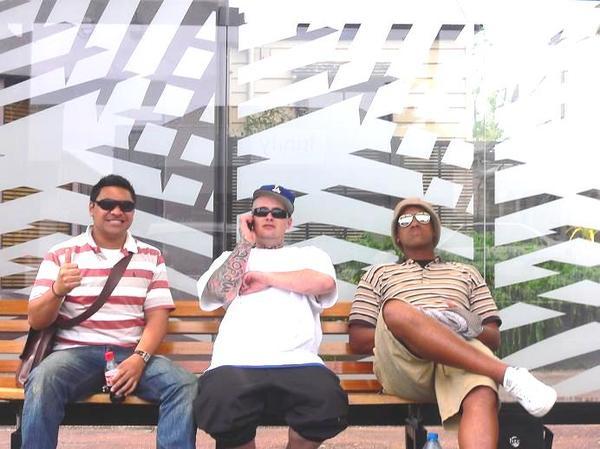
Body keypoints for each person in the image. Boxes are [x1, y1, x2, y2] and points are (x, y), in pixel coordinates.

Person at [348, 197, 557, 449]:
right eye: (405, 220)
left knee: (482, 390)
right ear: (398, 237)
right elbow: (358, 340)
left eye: (422, 217)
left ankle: (503, 376)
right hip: (404, 366)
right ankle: (508, 375)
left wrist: (465, 324)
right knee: (395, 309)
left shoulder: (466, 273)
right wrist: (419, 327)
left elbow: (493, 338)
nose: (414, 223)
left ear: (434, 231)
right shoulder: (377, 274)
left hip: (459, 365)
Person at [22, 175, 197, 449]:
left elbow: (158, 317)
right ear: (92, 208)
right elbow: (37, 319)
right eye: (107, 204)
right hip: (74, 355)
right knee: (43, 380)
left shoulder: (150, 256)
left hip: (131, 354)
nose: (117, 211)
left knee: (184, 384)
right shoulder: (62, 254)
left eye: (126, 206)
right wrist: (58, 289)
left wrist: (139, 358)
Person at [194, 184, 348, 449]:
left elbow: (323, 283)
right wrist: (245, 244)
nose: (269, 217)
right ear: (250, 219)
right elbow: (218, 291)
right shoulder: (230, 258)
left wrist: (266, 278)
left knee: (327, 403)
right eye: (261, 211)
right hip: (234, 362)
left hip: (299, 361)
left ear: (288, 222)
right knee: (220, 405)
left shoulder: (310, 255)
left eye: (278, 213)